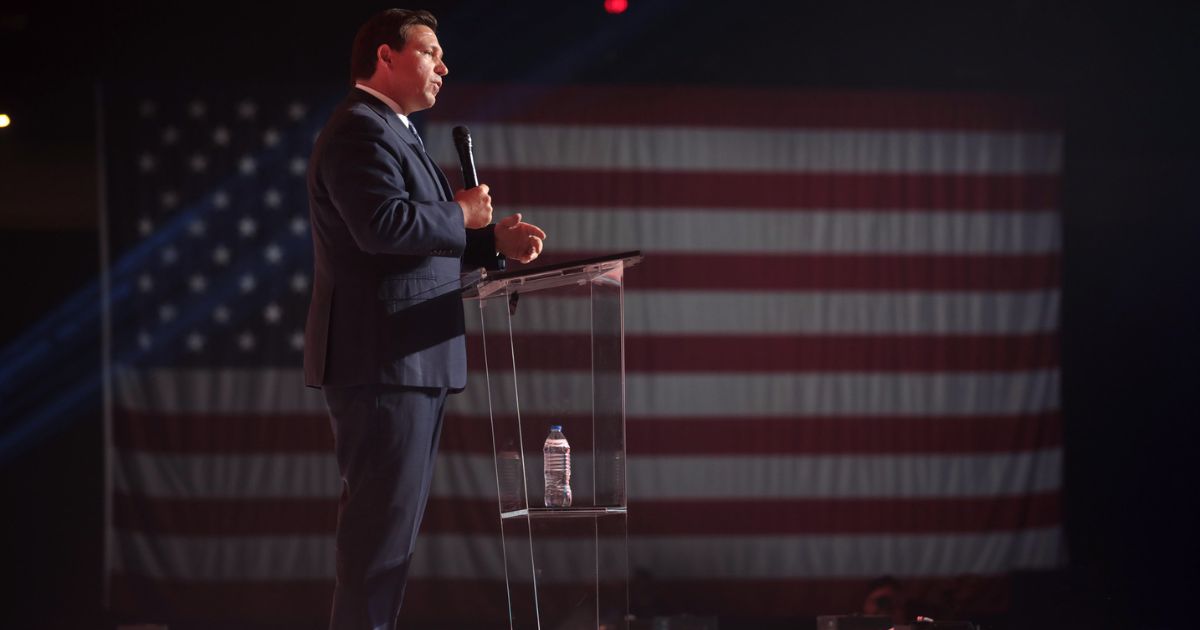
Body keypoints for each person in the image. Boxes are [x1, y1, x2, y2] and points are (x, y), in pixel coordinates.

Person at [303, 8, 546, 629]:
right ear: (385, 57)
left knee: (390, 543)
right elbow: (382, 227)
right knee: (377, 543)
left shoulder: (397, 132)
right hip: (384, 362)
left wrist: (492, 243)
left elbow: (418, 244)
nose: (444, 65)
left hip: (411, 359)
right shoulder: (360, 129)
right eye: (430, 51)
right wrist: (463, 216)